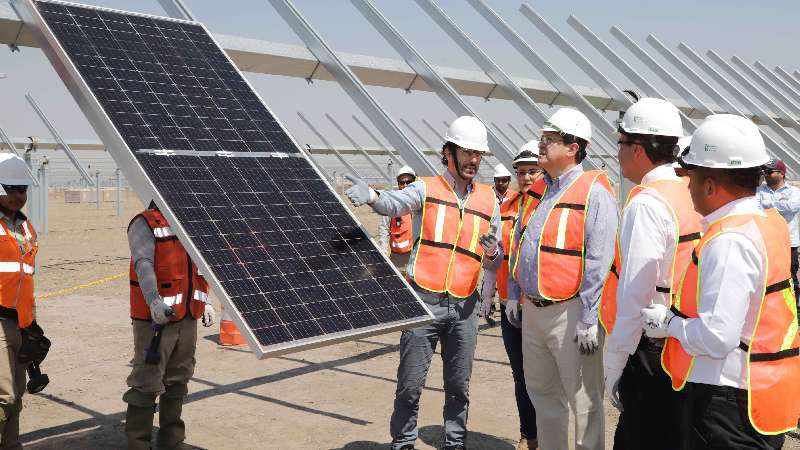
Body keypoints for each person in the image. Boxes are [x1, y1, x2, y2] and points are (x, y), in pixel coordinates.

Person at [642, 114, 800, 449]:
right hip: (757, 388)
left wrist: (669, 323)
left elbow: (716, 338)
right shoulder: (766, 223)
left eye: (692, 178)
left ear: (710, 185)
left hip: (726, 401)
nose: (688, 187)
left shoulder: (729, 240)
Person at [344, 115, 502, 450]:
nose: (474, 160)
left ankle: (454, 443)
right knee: (410, 384)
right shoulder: (426, 188)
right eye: (467, 152)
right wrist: (372, 195)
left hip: (465, 306)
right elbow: (393, 203)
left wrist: (494, 254)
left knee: (459, 385)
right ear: (449, 151)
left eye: (479, 154)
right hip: (423, 301)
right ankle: (403, 443)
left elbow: (494, 260)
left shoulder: (489, 200)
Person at [507, 108, 618, 450]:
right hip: (534, 311)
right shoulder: (539, 190)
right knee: (542, 396)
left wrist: (589, 318)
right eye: (542, 138)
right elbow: (519, 241)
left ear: (572, 148)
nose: (541, 145)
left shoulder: (594, 192)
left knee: (584, 402)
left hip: (571, 314)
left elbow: (599, 260)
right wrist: (513, 292)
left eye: (549, 139)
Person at [599, 98, 700, 450]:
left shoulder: (646, 203)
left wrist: (614, 363)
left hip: (651, 351)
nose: (618, 151)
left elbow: (635, 295)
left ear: (638, 149)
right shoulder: (691, 191)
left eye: (621, 143)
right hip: (685, 340)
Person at [124, 203, 217, 450]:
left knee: (178, 378)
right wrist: (153, 299)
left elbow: (199, 265)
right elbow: (143, 264)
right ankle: (139, 443)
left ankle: (172, 441)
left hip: (187, 316)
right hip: (155, 322)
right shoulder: (145, 223)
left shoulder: (190, 219)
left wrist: (205, 300)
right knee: (147, 380)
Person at [479, 143, 541, 450]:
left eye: (533, 171)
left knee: (545, 377)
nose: (526, 177)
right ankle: (528, 434)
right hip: (509, 306)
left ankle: (548, 435)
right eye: (522, 172)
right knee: (520, 375)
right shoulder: (504, 210)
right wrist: (490, 253)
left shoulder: (550, 206)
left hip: (541, 308)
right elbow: (493, 264)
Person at [0, 154, 40, 449]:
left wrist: (33, 324)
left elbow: (27, 279)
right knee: (4, 395)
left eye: (22, 189)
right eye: (11, 188)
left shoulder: (26, 228)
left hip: (21, 321)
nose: (18, 196)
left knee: (16, 392)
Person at [757, 158, 800, 304]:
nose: (766, 174)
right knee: (766, 275)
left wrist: (767, 205)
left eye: (769, 171)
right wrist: (780, 205)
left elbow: (792, 207)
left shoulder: (795, 192)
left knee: (790, 275)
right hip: (764, 241)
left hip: (789, 242)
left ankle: (794, 306)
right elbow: (755, 208)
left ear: (781, 173)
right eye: (764, 171)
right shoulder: (758, 190)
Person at [377, 165, 417, 273]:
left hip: (415, 258)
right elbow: (383, 229)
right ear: (398, 184)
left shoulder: (420, 204)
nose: (405, 185)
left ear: (414, 182)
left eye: (408, 182)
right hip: (397, 259)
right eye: (401, 183)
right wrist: (383, 252)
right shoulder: (391, 204)